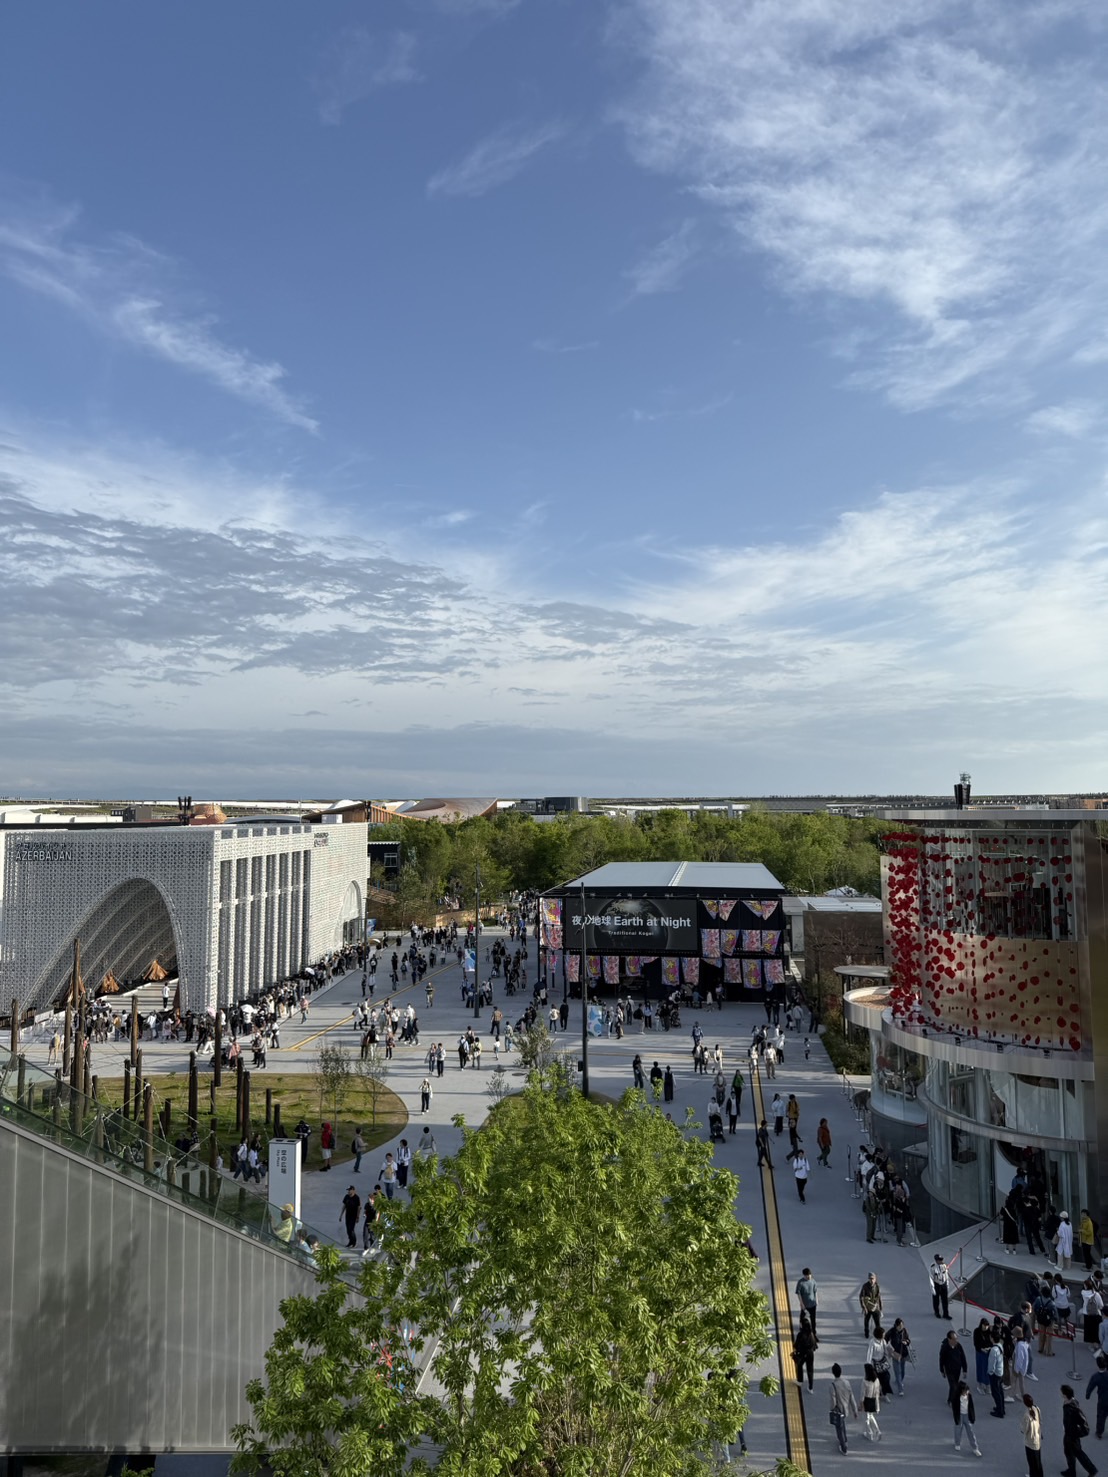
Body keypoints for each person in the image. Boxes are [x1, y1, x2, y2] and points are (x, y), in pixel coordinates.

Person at [1062, 1383, 1098, 1477]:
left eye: (1062, 1393)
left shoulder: (1072, 1408)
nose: (1061, 1395)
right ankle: (1072, 1471)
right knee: (1070, 1452)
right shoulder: (1069, 1403)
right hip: (1069, 1433)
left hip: (1072, 1435)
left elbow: (1084, 1425)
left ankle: (1091, 1470)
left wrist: (1077, 1433)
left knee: (1077, 1453)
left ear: (1065, 1395)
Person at [829, 1363, 858, 1455]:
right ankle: (845, 1440)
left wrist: (832, 1409)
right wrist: (855, 1410)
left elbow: (833, 1400)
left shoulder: (833, 1385)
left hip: (838, 1410)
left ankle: (843, 1447)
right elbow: (851, 1397)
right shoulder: (847, 1383)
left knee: (839, 1428)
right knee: (842, 1424)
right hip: (846, 1409)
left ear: (833, 1373)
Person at [949, 1378, 983, 1456]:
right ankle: (957, 1443)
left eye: (967, 1390)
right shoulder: (956, 1398)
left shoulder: (969, 1396)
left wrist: (973, 1417)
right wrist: (956, 1418)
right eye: (965, 1391)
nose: (967, 1392)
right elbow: (955, 1409)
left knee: (970, 1431)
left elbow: (971, 1407)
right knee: (958, 1430)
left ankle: (975, 1448)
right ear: (961, 1391)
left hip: (967, 1415)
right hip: (960, 1415)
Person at [792, 1313, 818, 1391]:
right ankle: (810, 1387)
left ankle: (800, 1380)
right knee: (810, 1369)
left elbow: (796, 1345)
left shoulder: (801, 1334)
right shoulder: (811, 1334)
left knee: (799, 1365)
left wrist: (796, 1350)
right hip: (810, 1354)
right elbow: (814, 1345)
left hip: (803, 1353)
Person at [1021, 1393, 1043, 1477]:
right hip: (1037, 1437)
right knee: (1038, 1461)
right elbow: (1040, 1420)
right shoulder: (1036, 1408)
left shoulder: (1027, 1415)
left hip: (1030, 1441)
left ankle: (1032, 1475)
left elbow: (1024, 1429)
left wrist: (1022, 1430)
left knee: (1031, 1461)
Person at [942, 1328, 968, 1398]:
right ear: (949, 1339)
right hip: (949, 1370)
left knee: (955, 1385)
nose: (956, 1340)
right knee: (953, 1386)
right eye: (954, 1339)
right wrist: (942, 1370)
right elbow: (941, 1359)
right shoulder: (945, 1347)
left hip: (957, 1369)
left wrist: (965, 1369)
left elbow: (963, 1357)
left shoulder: (958, 1346)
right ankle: (951, 1400)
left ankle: (951, 1398)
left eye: (956, 1338)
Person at [887, 1317, 911, 1396]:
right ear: (896, 1326)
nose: (901, 1327)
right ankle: (900, 1389)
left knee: (902, 1371)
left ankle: (899, 1381)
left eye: (902, 1325)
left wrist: (906, 1342)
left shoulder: (904, 1331)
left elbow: (908, 1340)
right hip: (895, 1354)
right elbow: (885, 1341)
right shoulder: (891, 1331)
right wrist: (891, 1350)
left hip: (903, 1353)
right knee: (897, 1372)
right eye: (900, 1326)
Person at [1087, 1354, 1108, 1439]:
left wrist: (1087, 1395)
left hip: (1102, 1400)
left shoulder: (1095, 1376)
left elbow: (1090, 1386)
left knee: (1101, 1416)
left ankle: (1099, 1432)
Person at [861, 1362, 882, 1442]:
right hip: (873, 1400)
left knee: (866, 1418)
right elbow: (877, 1392)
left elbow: (862, 1393)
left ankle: (870, 1433)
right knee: (871, 1416)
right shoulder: (876, 1380)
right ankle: (877, 1430)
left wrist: (861, 1403)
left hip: (867, 1400)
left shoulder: (865, 1381)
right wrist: (877, 1406)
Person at [795, 1268, 818, 1336]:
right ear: (804, 1275)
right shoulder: (800, 1283)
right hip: (805, 1304)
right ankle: (801, 1329)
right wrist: (801, 1303)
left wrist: (816, 1300)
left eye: (810, 1275)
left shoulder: (813, 1281)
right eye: (807, 1275)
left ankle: (814, 1332)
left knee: (813, 1319)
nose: (809, 1276)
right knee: (802, 1317)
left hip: (813, 1304)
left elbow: (815, 1291)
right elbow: (799, 1294)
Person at [987, 1333, 1006, 1417]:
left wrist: (990, 1372)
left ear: (992, 1338)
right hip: (1000, 1371)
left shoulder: (993, 1350)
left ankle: (999, 1411)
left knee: (995, 1393)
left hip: (995, 1374)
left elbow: (992, 1364)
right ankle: (1002, 1408)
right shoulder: (1000, 1346)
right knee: (1000, 1391)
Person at [931, 1253, 952, 1320]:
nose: (941, 1261)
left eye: (941, 1259)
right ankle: (937, 1312)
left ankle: (946, 1314)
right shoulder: (933, 1267)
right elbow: (931, 1278)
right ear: (937, 1260)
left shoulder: (944, 1266)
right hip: (936, 1284)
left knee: (945, 1300)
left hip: (943, 1284)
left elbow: (946, 1275)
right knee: (936, 1300)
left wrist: (947, 1284)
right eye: (940, 1260)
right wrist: (932, 1288)